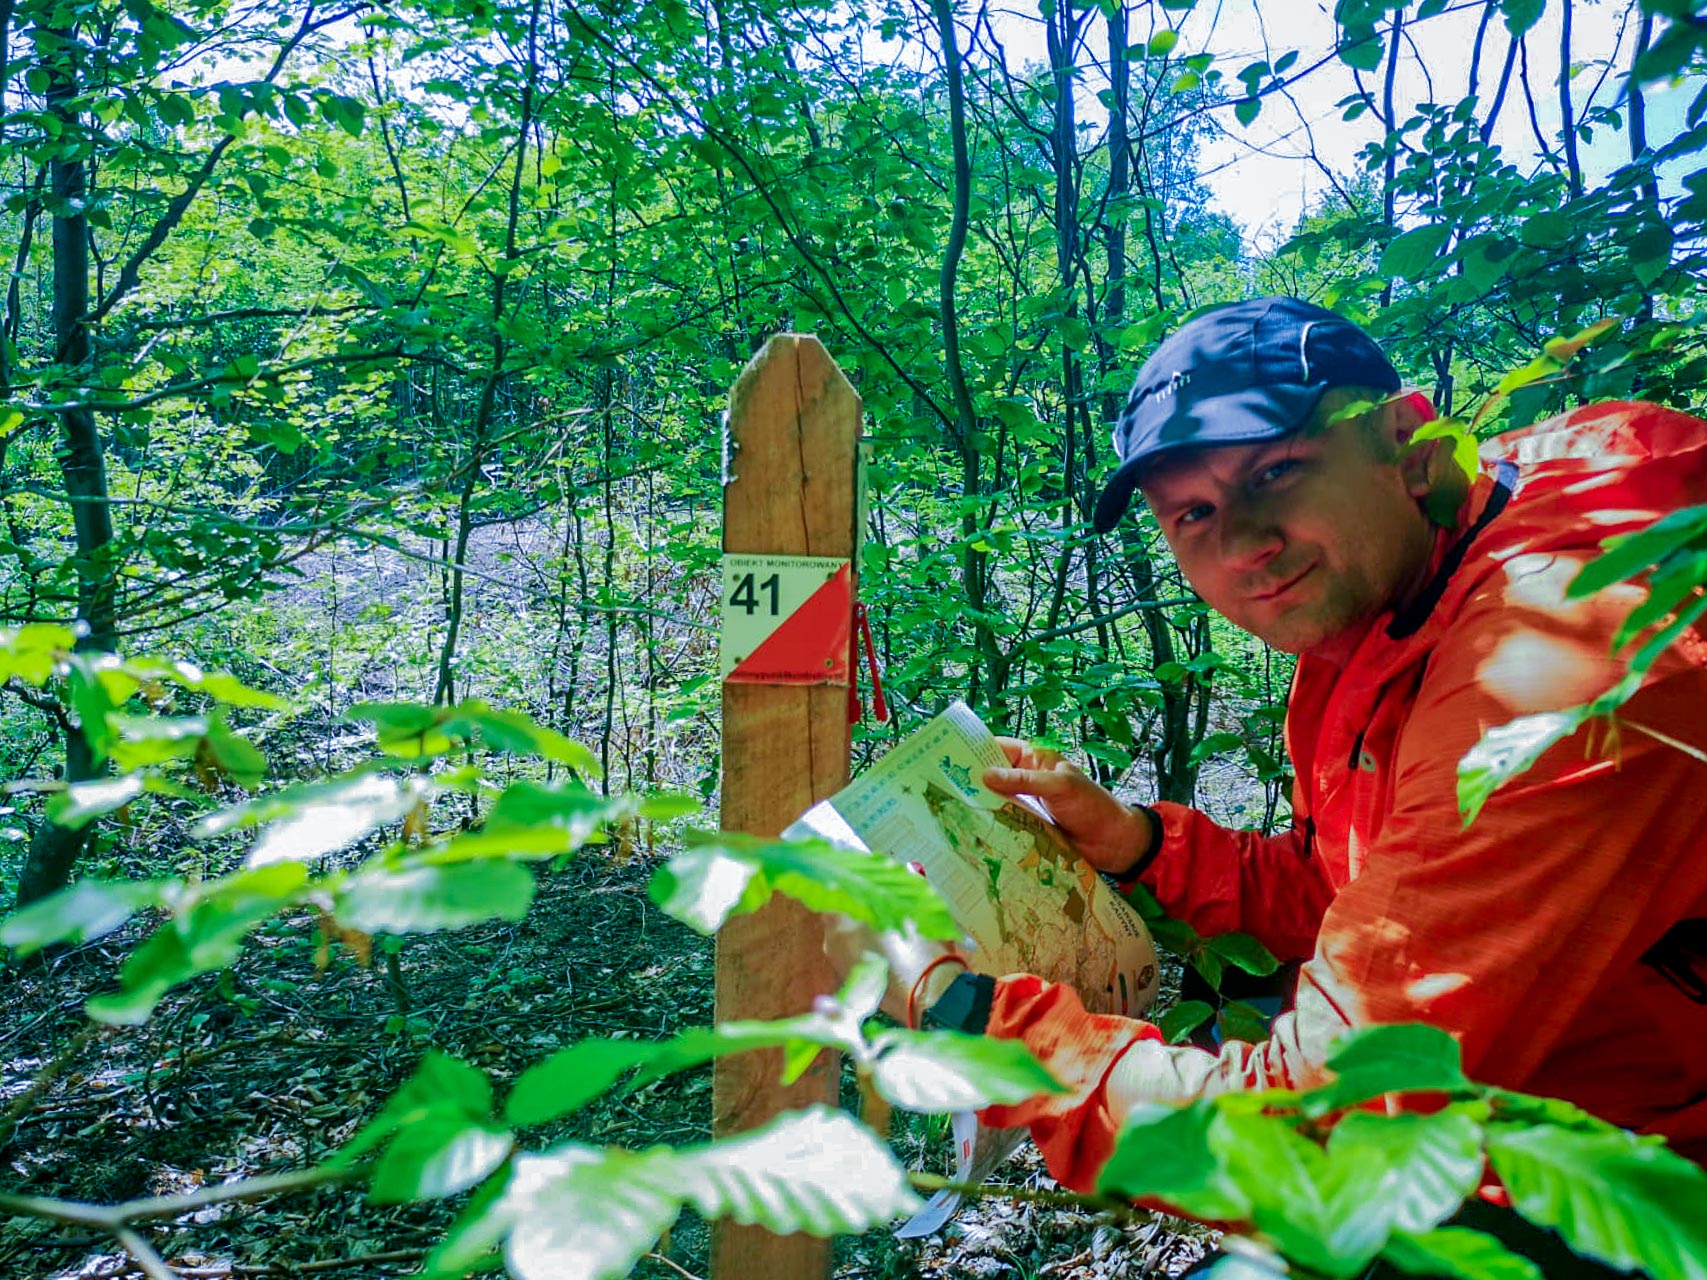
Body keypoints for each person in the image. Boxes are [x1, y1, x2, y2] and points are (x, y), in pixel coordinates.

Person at [834, 298, 1707, 1215]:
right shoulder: (1376, 616)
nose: (1245, 544)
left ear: (1408, 446)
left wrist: (963, 1016)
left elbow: (1324, 1134)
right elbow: (1351, 891)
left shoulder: (1548, 660)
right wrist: (1141, 845)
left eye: (1277, 470)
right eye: (1195, 513)